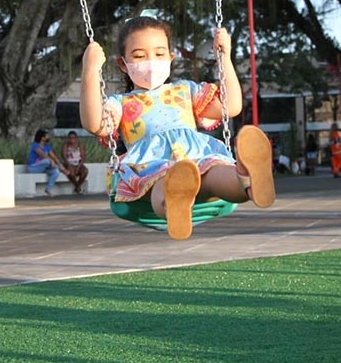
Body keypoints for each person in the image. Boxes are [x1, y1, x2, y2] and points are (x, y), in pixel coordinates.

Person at [80, 16, 275, 240]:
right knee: (162, 180)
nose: (151, 62)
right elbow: (94, 123)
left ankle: (246, 180)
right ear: (123, 64)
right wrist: (90, 71)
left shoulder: (185, 90)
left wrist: (225, 57)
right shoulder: (121, 104)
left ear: (171, 58)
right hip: (150, 165)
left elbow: (230, 106)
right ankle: (174, 204)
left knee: (213, 173)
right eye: (139, 56)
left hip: (195, 158)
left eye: (159, 54)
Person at [28, 129, 69, 196]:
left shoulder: (47, 146)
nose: (48, 137)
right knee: (47, 161)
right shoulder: (35, 145)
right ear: (42, 137)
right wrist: (51, 161)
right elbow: (43, 155)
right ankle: (61, 169)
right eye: (46, 136)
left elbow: (54, 156)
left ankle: (48, 189)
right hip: (34, 167)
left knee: (56, 172)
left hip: (44, 167)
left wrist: (59, 164)